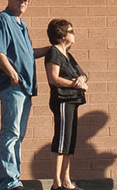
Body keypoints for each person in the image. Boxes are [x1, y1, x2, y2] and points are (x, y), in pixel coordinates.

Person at [0, 0, 39, 190]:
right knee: (11, 133)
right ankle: (9, 182)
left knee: (18, 135)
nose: (23, 2)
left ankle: (14, 178)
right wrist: (12, 75)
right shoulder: (2, 19)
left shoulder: (22, 24)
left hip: (25, 88)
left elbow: (27, 53)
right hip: (13, 87)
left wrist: (53, 49)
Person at [45, 18, 89, 190]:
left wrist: (81, 79)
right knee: (62, 140)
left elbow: (83, 74)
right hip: (62, 100)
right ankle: (56, 183)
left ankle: (66, 179)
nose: (73, 33)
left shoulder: (68, 55)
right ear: (62, 35)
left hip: (73, 101)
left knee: (70, 141)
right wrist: (74, 84)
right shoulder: (54, 52)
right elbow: (53, 78)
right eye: (70, 31)